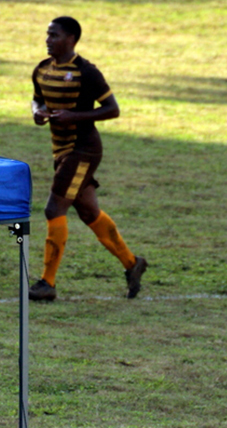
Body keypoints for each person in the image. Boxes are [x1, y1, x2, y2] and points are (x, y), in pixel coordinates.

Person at [28, 16, 147, 301]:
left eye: (54, 35)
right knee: (89, 212)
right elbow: (37, 98)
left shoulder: (86, 72)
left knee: (53, 208)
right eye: (47, 34)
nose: (48, 40)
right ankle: (133, 263)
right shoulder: (42, 69)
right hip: (61, 150)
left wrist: (75, 116)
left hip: (83, 150)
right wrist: (37, 112)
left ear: (71, 39)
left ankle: (47, 283)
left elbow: (112, 109)